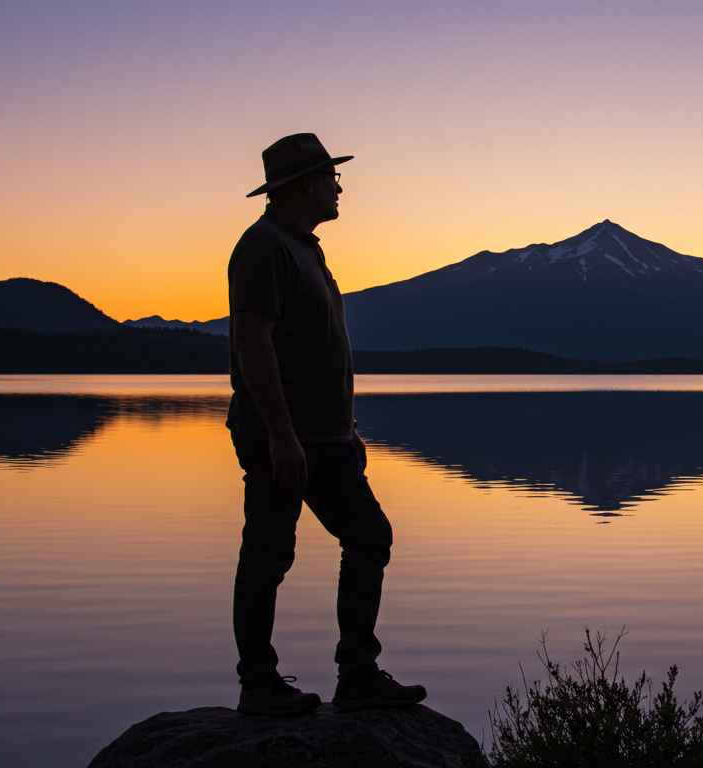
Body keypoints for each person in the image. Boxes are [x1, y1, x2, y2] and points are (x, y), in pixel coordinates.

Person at [226, 133, 426, 717]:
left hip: (327, 438)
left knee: (370, 537)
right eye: (331, 177)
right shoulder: (264, 246)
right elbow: (252, 344)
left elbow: (309, 348)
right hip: (282, 440)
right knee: (267, 556)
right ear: (307, 183)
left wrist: (345, 430)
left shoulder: (304, 247)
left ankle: (358, 674)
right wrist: (282, 436)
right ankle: (258, 685)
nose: (339, 187)